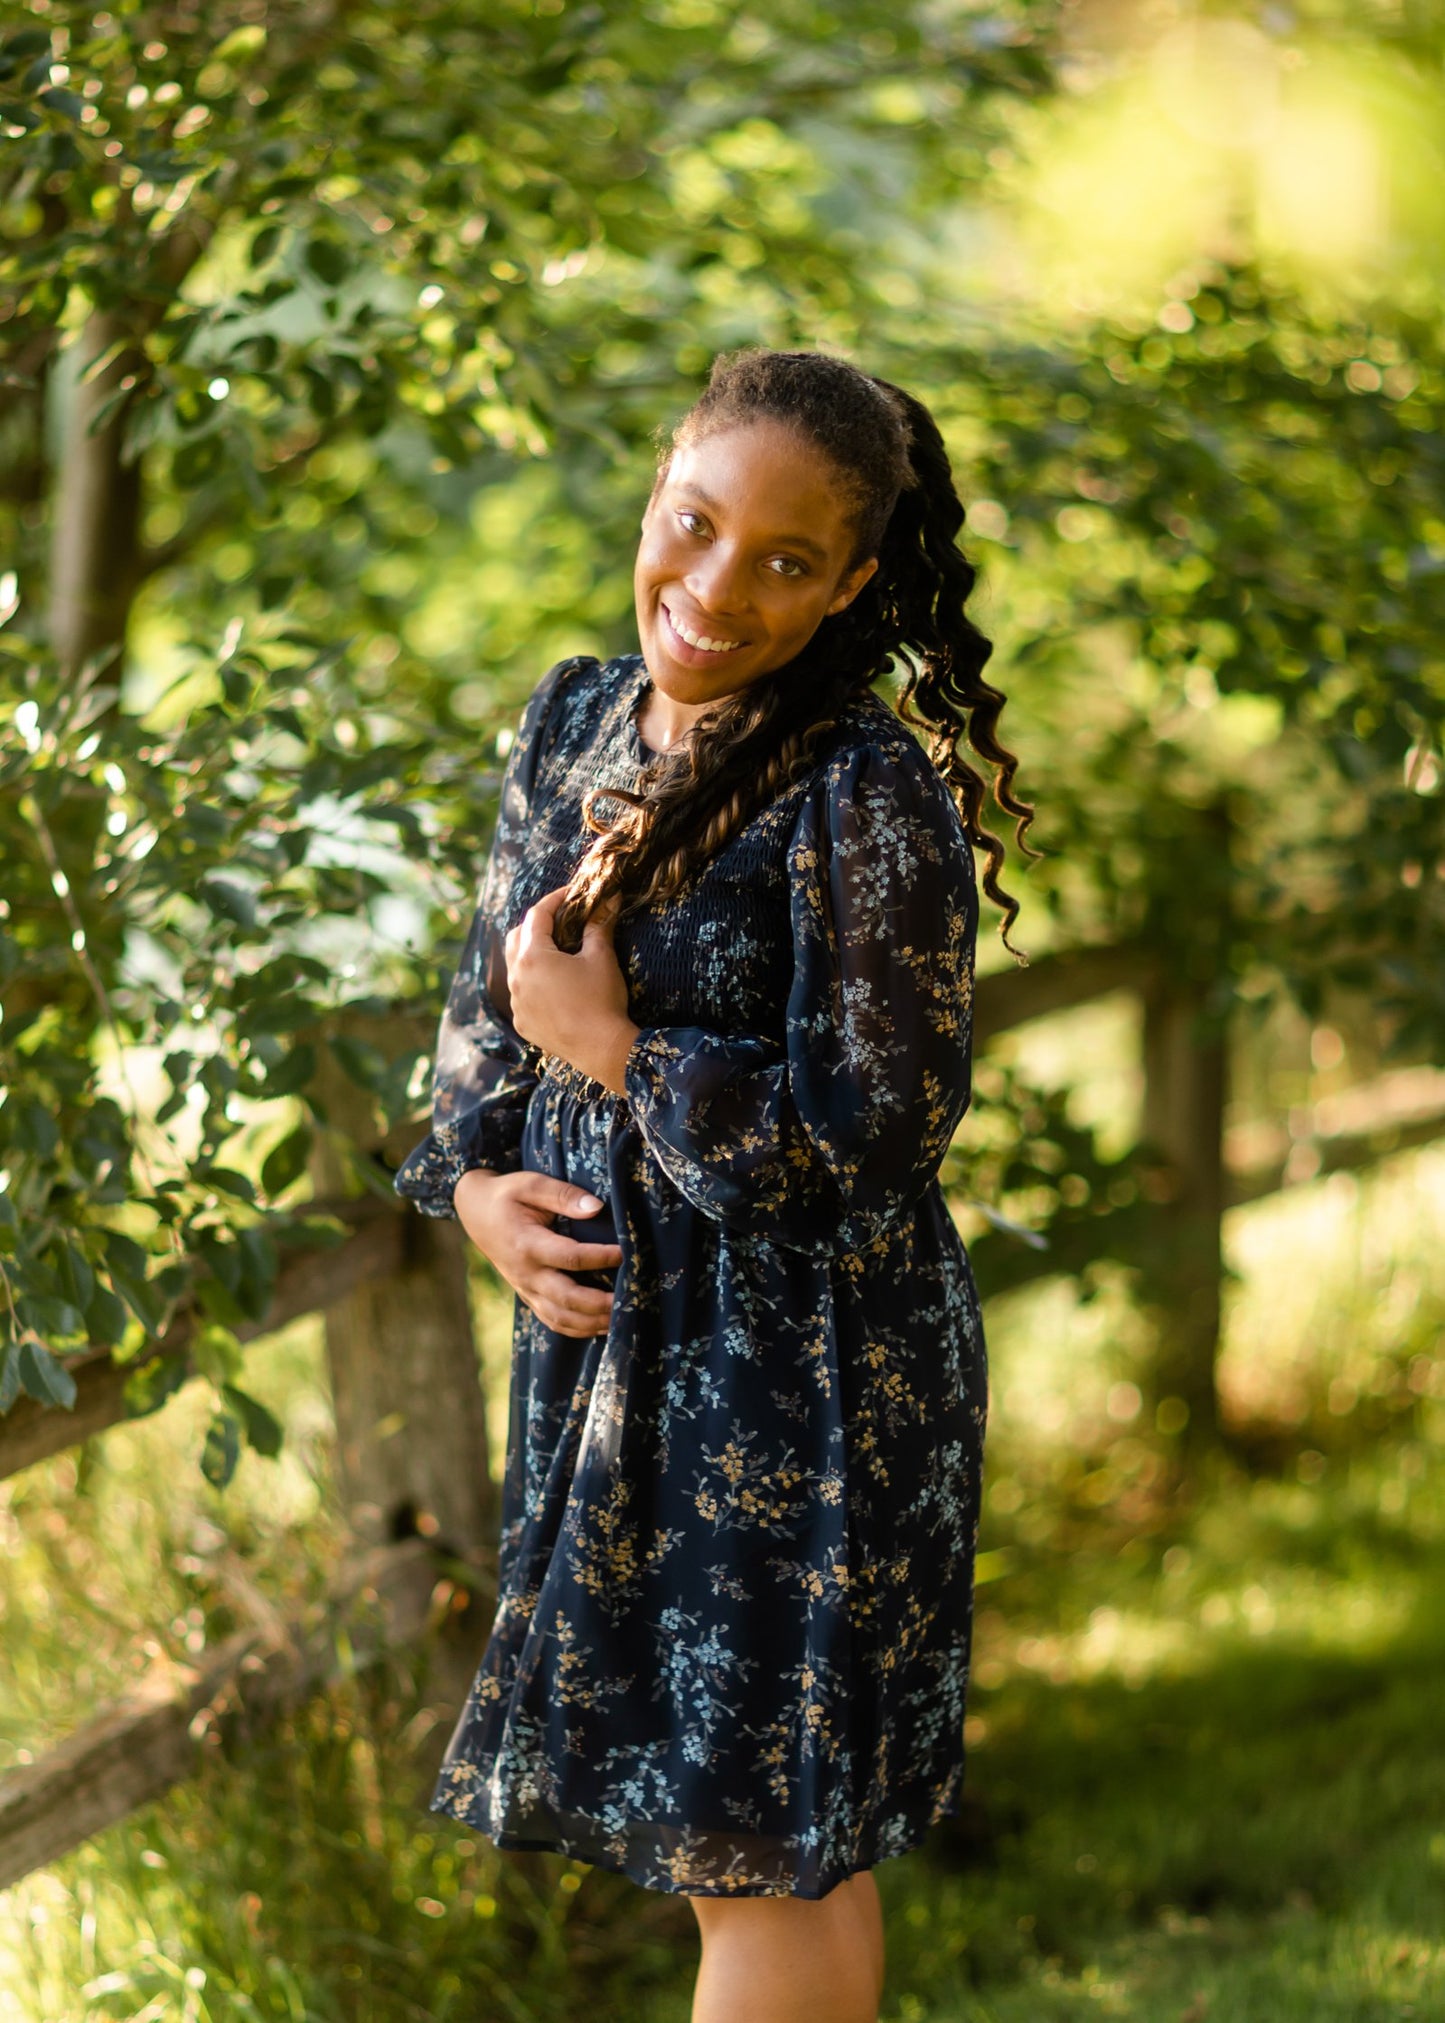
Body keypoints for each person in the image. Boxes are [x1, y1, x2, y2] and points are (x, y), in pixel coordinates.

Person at [393, 347, 1035, 2023]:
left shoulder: (859, 788)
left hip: (800, 1379)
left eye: (783, 560)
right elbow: (490, 1003)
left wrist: (622, 1061)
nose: (715, 586)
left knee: (760, 1859)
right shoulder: (574, 719)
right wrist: (475, 1191)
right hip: (618, 1368)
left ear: (850, 584)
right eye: (694, 524)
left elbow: (873, 1132)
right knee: (742, 1859)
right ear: (656, 488)